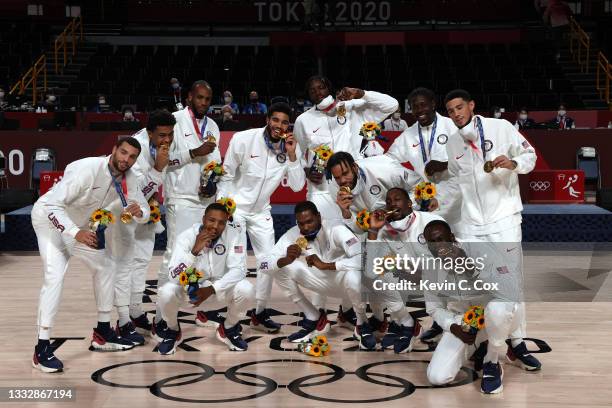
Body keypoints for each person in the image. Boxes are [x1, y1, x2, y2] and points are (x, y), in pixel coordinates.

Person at [442, 89, 541, 388]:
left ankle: (516, 343)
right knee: (484, 287)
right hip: (472, 226)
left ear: (472, 106)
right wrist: (437, 212)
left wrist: (514, 164)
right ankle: (493, 340)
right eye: (451, 110)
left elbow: (530, 156)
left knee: (512, 285)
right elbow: (456, 185)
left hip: (504, 220)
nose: (456, 113)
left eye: (460, 107)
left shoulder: (502, 128)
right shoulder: (454, 144)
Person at [31, 137, 150, 372]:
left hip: (81, 229)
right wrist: (75, 233)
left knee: (106, 267)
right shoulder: (87, 169)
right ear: (114, 150)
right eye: (123, 153)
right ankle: (41, 348)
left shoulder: (131, 178)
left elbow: (145, 210)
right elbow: (52, 205)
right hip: (50, 222)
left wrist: (140, 212)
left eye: (132, 156)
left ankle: (103, 333)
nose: (126, 159)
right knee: (54, 277)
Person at [216, 102, 305, 333]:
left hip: (261, 211)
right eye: (275, 120)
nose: (279, 125)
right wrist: (224, 207)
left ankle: (259, 311)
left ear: (289, 125)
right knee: (237, 263)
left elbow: (297, 187)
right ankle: (232, 315)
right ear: (267, 120)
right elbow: (225, 175)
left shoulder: (290, 148)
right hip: (235, 208)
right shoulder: (244, 139)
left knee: (268, 262)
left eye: (284, 122)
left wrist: (293, 155)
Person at [422, 220, 539, 394]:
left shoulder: (481, 250)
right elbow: (434, 308)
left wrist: (470, 269)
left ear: (452, 238)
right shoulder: (430, 267)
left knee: (498, 308)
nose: (438, 246)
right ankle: (480, 345)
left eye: (441, 239)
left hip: (503, 315)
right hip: (465, 324)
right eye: (432, 243)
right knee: (437, 377)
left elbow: (508, 291)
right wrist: (453, 326)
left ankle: (491, 361)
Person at [257, 201, 374, 349]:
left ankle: (362, 323)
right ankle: (314, 317)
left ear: (318, 217)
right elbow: (262, 265)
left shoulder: (336, 229)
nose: (305, 227)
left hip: (344, 282)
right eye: (301, 224)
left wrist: (327, 265)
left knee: (354, 276)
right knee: (279, 268)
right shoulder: (293, 234)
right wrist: (284, 260)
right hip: (318, 281)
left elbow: (364, 259)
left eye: (309, 221)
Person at [154, 80, 221, 331]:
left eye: (207, 99)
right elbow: (162, 161)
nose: (204, 102)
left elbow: (215, 164)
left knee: (202, 256)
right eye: (200, 97)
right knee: (175, 255)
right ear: (190, 97)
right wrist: (195, 152)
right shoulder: (174, 120)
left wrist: (212, 185)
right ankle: (160, 317)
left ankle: (199, 311)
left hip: (206, 202)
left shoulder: (213, 125)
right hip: (180, 199)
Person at [293, 75, 399, 224]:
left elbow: (392, 105)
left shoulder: (352, 108)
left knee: (358, 230)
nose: (317, 92)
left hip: (354, 184)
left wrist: (361, 93)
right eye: (312, 90)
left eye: (321, 87)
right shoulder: (303, 120)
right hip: (321, 188)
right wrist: (306, 170)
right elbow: (298, 153)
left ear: (329, 87)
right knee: (324, 232)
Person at [110, 110, 176, 344]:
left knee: (140, 264)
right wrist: (158, 168)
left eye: (170, 135)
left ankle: (136, 313)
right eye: (162, 135)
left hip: (148, 213)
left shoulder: (161, 143)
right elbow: (133, 194)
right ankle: (122, 319)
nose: (167, 140)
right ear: (149, 133)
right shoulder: (134, 151)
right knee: (125, 268)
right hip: (125, 214)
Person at [156, 203, 254, 354]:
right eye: (211, 220)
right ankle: (173, 331)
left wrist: (212, 289)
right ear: (203, 219)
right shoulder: (186, 237)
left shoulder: (234, 235)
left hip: (218, 292)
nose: (215, 226)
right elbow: (173, 277)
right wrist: (194, 251)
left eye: (221, 222)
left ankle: (228, 328)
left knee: (246, 289)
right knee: (166, 291)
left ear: (226, 222)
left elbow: (239, 270)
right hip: (191, 294)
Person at [364, 188, 444, 352]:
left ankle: (441, 324)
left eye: (397, 199)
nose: (392, 203)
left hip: (440, 281)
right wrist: (372, 230)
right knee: (376, 277)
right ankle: (407, 323)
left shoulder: (432, 221)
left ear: (409, 203)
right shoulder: (384, 231)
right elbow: (370, 272)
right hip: (411, 281)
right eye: (388, 201)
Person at [386, 87, 459, 223]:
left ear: (433, 104)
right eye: (415, 107)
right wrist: (409, 177)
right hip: (425, 199)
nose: (419, 110)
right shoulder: (408, 134)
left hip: (453, 196)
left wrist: (445, 165)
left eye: (423, 105)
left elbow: (469, 159)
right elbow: (389, 160)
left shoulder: (451, 127)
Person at [328, 151, 420, 234]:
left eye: (345, 173)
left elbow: (419, 185)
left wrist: (402, 209)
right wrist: (346, 212)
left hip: (410, 218)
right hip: (380, 232)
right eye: (337, 177)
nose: (342, 180)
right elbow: (360, 230)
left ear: (355, 167)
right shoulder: (335, 190)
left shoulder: (385, 169)